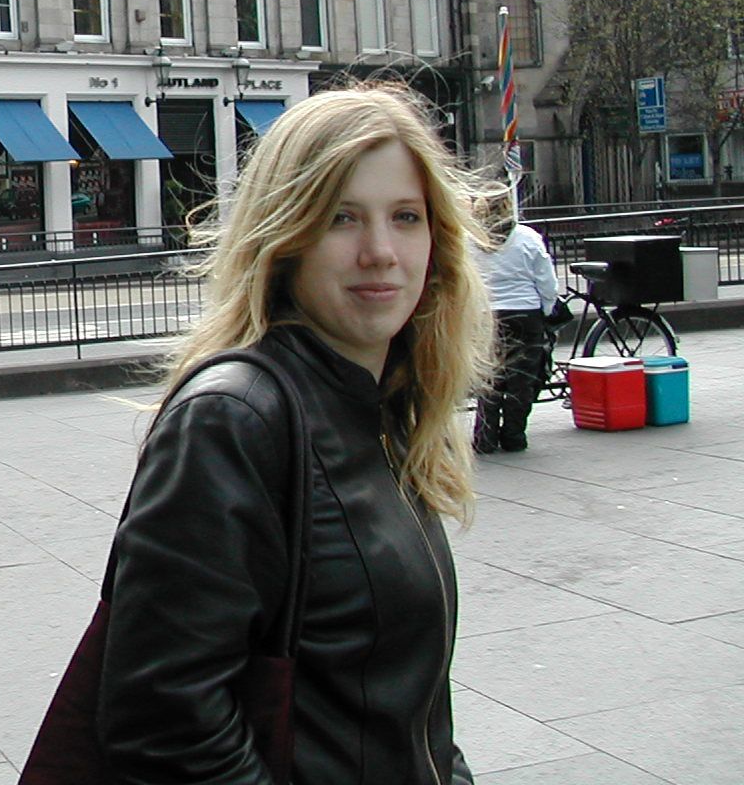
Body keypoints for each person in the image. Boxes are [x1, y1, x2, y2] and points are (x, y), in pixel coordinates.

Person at [96, 82, 496, 784]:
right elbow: (165, 728)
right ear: (286, 237)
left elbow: (406, 713)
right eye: (342, 218)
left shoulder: (381, 407)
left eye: (406, 216)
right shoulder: (234, 420)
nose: (381, 251)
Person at [472, 189, 559, 453]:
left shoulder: (468, 240)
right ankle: (514, 435)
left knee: (490, 378)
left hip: (487, 315)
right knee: (522, 379)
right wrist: (546, 309)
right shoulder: (528, 238)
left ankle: (484, 439)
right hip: (525, 313)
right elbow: (546, 281)